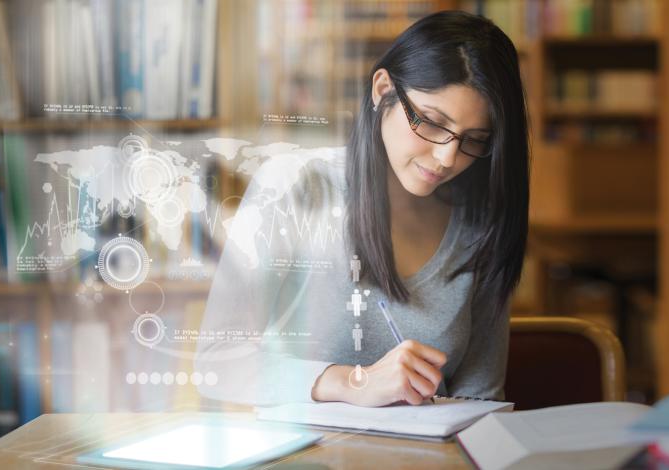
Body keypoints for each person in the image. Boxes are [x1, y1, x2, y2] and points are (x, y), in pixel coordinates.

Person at [195, 10, 528, 407]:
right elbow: (216, 363)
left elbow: (480, 399)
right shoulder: (294, 186)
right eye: (432, 122)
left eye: (474, 139)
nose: (446, 157)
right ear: (382, 89)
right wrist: (353, 382)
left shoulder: (482, 222)